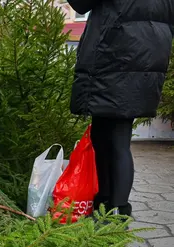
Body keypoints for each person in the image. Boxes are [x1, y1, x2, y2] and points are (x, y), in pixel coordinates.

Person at [68, 0, 174, 217]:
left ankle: (117, 208)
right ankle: (106, 202)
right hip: (144, 58)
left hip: (115, 55)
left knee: (115, 139)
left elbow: (79, 4)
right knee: (105, 135)